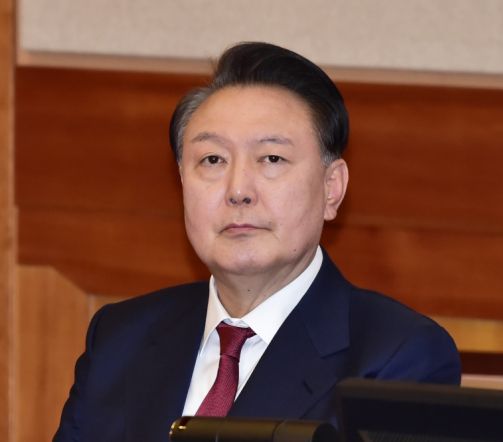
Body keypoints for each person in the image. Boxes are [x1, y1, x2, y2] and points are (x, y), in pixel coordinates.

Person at [53, 42, 461, 442]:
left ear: (331, 188)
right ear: (182, 182)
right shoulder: (120, 338)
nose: (238, 191)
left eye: (271, 159)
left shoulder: (396, 357)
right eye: (213, 160)